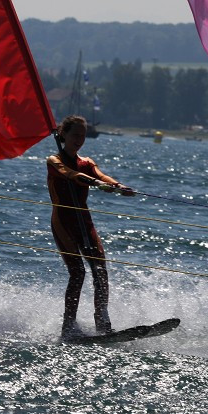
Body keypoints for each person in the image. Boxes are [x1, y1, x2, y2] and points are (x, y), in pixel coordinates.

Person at [47, 115, 134, 338]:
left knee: (100, 271)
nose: (79, 139)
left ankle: (102, 323)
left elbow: (100, 174)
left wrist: (117, 185)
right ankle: (68, 326)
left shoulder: (87, 162)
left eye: (83, 136)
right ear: (63, 134)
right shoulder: (54, 161)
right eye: (75, 135)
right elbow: (71, 174)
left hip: (84, 221)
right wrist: (96, 184)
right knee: (77, 273)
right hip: (63, 222)